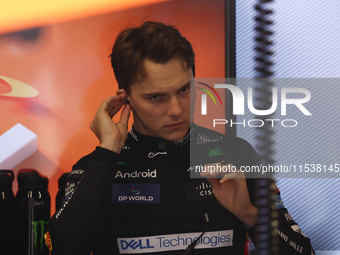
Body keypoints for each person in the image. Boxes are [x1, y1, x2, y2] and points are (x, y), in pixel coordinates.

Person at [46, 21, 314, 255]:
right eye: (156, 97)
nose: (176, 109)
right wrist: (107, 154)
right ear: (124, 97)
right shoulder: (97, 167)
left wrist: (251, 217)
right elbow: (65, 248)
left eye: (184, 90)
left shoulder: (237, 156)